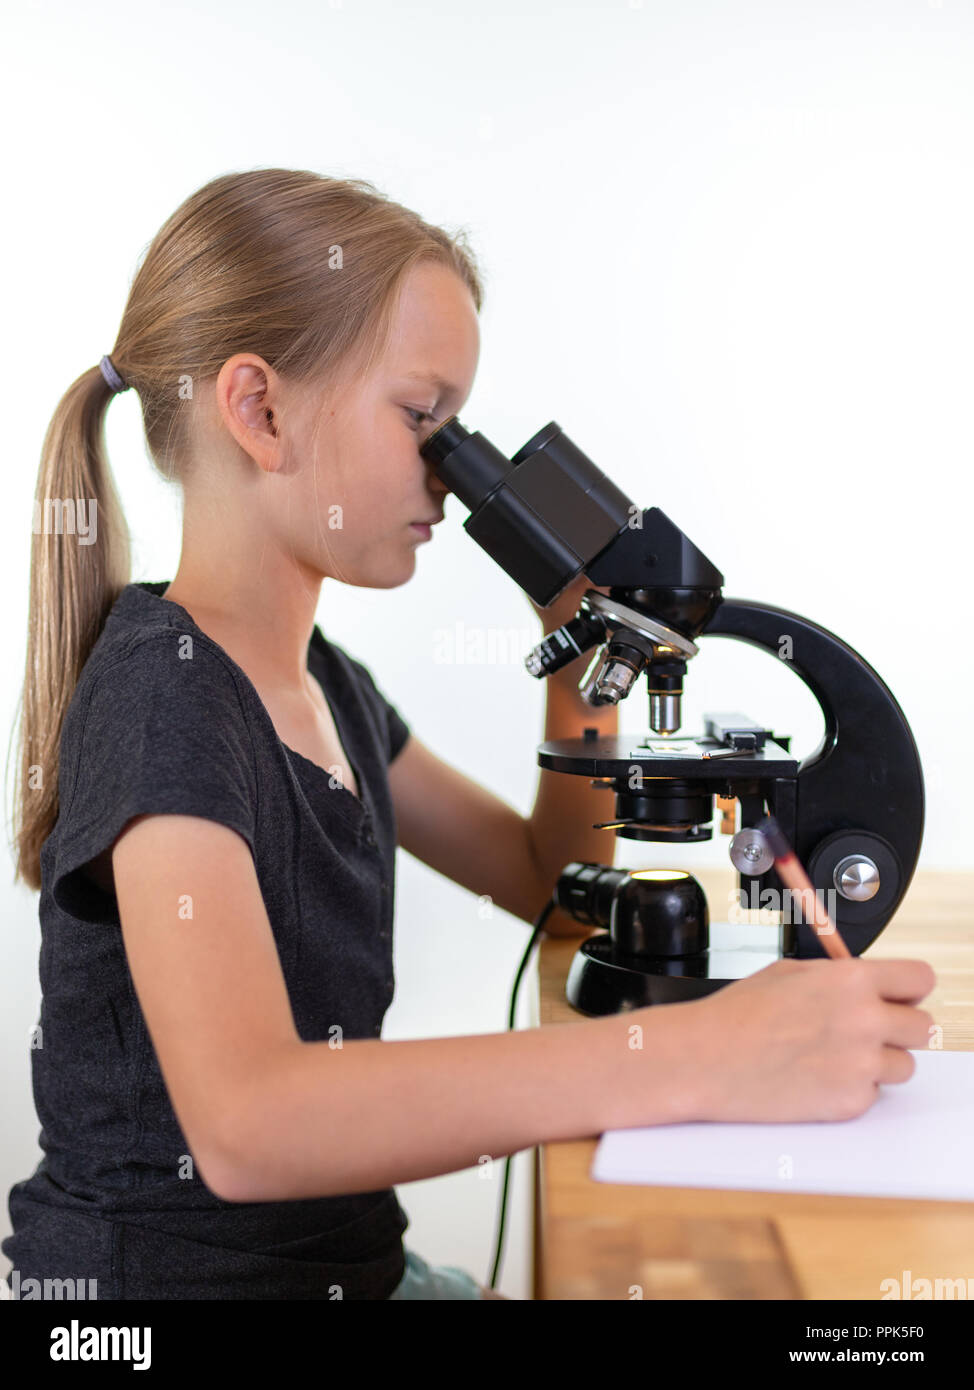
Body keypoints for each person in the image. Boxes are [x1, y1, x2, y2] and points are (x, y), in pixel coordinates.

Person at [4, 168, 935, 1302]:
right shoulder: (169, 699)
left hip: (348, 1269)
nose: (452, 478)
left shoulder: (324, 687)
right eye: (421, 418)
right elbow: (247, 1124)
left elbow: (544, 872)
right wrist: (696, 1056)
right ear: (259, 409)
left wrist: (582, 649)